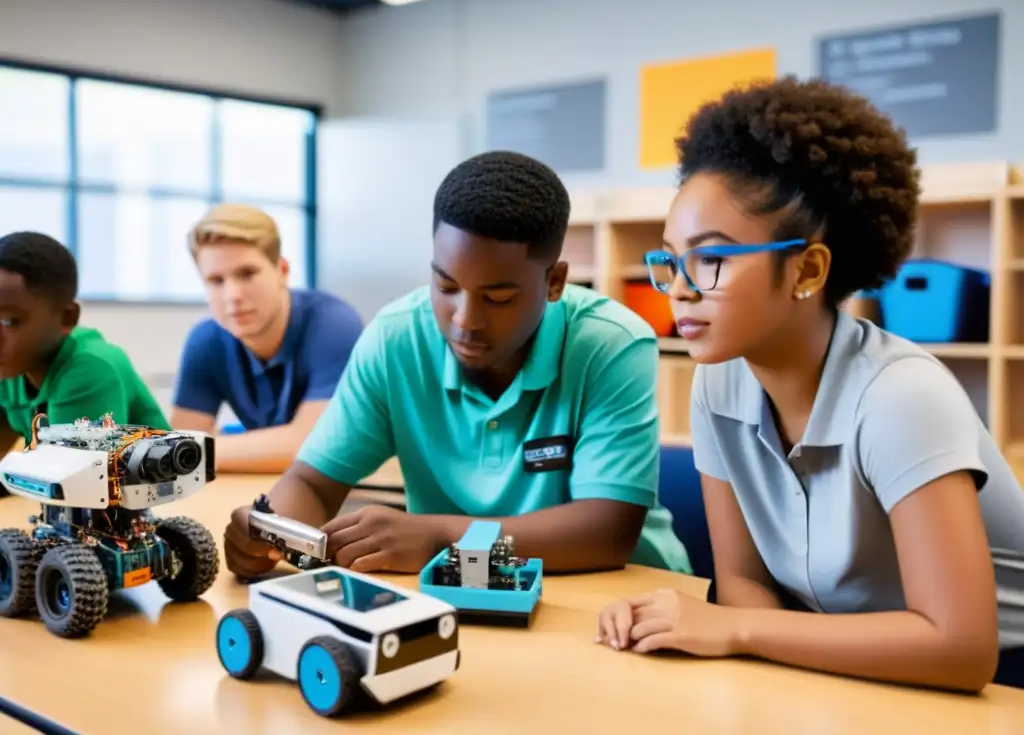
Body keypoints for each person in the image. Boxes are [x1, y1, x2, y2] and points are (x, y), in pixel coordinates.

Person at [595, 76, 1024, 693]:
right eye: (669, 260)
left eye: (711, 259)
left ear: (808, 269)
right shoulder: (717, 382)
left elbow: (960, 648)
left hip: (995, 686)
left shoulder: (902, 397)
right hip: (848, 665)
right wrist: (749, 652)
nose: (681, 288)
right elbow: (744, 583)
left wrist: (737, 633)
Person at [221, 150, 691, 579]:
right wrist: (271, 528)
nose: (465, 320)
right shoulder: (395, 338)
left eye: (499, 297)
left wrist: (440, 538)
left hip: (618, 604)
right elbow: (313, 481)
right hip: (457, 591)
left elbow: (605, 533)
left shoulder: (611, 344)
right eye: (446, 287)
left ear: (555, 282)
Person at [170, 204, 364, 474]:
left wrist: (194, 450)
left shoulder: (334, 323)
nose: (232, 295)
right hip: (274, 486)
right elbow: (178, 455)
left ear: (282, 271)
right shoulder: (206, 340)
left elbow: (312, 446)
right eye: (216, 281)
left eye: (247, 274)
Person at [0, 231, 170, 475]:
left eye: (10, 321)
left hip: (151, 497)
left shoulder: (89, 368)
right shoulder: (11, 365)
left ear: (67, 317)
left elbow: (72, 478)